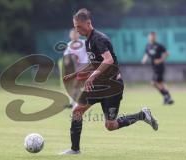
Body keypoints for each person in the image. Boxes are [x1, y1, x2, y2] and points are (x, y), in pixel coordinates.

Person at [60, 8, 158, 155]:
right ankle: (75, 149)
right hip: (97, 85)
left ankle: (142, 115)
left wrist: (92, 75)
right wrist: (75, 74)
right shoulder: (88, 41)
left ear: (88, 23)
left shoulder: (98, 38)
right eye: (75, 27)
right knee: (77, 111)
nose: (77, 30)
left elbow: (108, 60)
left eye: (79, 26)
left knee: (110, 126)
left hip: (112, 86)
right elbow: (95, 63)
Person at [142, 32, 174, 105]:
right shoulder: (148, 46)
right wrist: (144, 59)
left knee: (153, 83)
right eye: (151, 36)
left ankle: (167, 95)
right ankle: (167, 98)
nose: (152, 37)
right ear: (149, 37)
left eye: (153, 36)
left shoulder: (159, 45)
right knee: (161, 83)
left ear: (155, 37)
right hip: (154, 67)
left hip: (159, 67)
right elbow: (147, 53)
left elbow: (167, 53)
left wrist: (160, 60)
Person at [63, 28, 89, 108]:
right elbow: (66, 56)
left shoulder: (84, 43)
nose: (73, 35)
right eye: (72, 34)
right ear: (70, 35)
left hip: (86, 66)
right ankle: (74, 103)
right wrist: (67, 61)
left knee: (77, 85)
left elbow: (91, 52)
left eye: (75, 33)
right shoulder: (69, 45)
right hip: (77, 69)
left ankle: (75, 103)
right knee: (77, 86)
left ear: (78, 34)